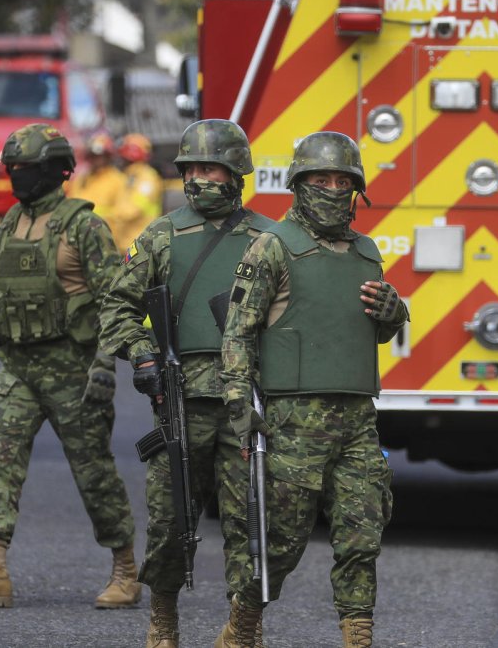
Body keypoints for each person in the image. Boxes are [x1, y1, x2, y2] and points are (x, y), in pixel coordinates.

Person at [0, 124, 140, 611]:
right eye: (12, 170)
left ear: (54, 171)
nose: (16, 178)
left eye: (25, 169)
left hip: (72, 368)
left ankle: (126, 571)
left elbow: (117, 299)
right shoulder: (9, 224)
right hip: (19, 369)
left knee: (94, 472)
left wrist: (106, 363)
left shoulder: (85, 227)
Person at [218, 131, 408, 648]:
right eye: (320, 179)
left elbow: (371, 326)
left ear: (356, 190)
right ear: (299, 185)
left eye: (342, 181)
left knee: (362, 533)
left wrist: (395, 313)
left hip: (357, 421)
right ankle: (244, 625)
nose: (331, 188)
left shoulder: (367, 252)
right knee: (280, 542)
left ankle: (358, 633)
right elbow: (238, 330)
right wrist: (238, 398)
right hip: (292, 423)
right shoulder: (273, 246)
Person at [98, 119, 276, 648]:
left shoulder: (268, 239)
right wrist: (143, 353)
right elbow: (117, 304)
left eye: (211, 168)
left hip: (246, 402)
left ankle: (244, 629)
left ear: (235, 172)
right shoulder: (162, 235)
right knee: (169, 518)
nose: (200, 179)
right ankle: (163, 624)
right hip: (180, 401)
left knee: (250, 522)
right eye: (191, 169)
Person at [68, 133, 131, 252]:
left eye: (99, 156)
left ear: (108, 156)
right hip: (78, 241)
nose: (96, 159)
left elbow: (122, 215)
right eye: (93, 155)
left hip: (106, 242)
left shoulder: (118, 180)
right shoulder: (81, 179)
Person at [117, 132, 164, 245]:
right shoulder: (129, 176)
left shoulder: (148, 179)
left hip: (141, 245)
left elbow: (132, 210)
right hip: (129, 243)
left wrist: (108, 218)